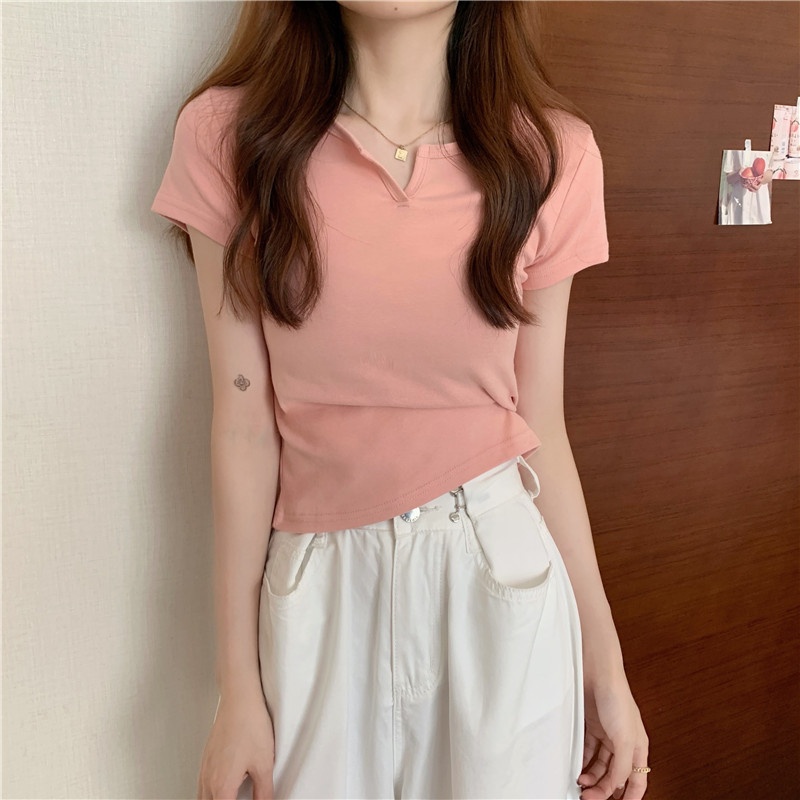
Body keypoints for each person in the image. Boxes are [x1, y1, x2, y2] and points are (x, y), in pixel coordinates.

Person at [150, 2, 650, 799]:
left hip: (498, 578)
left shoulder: (552, 155)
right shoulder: (228, 138)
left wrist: (605, 662)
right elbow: (243, 426)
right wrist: (237, 687)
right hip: (320, 588)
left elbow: (541, 428)